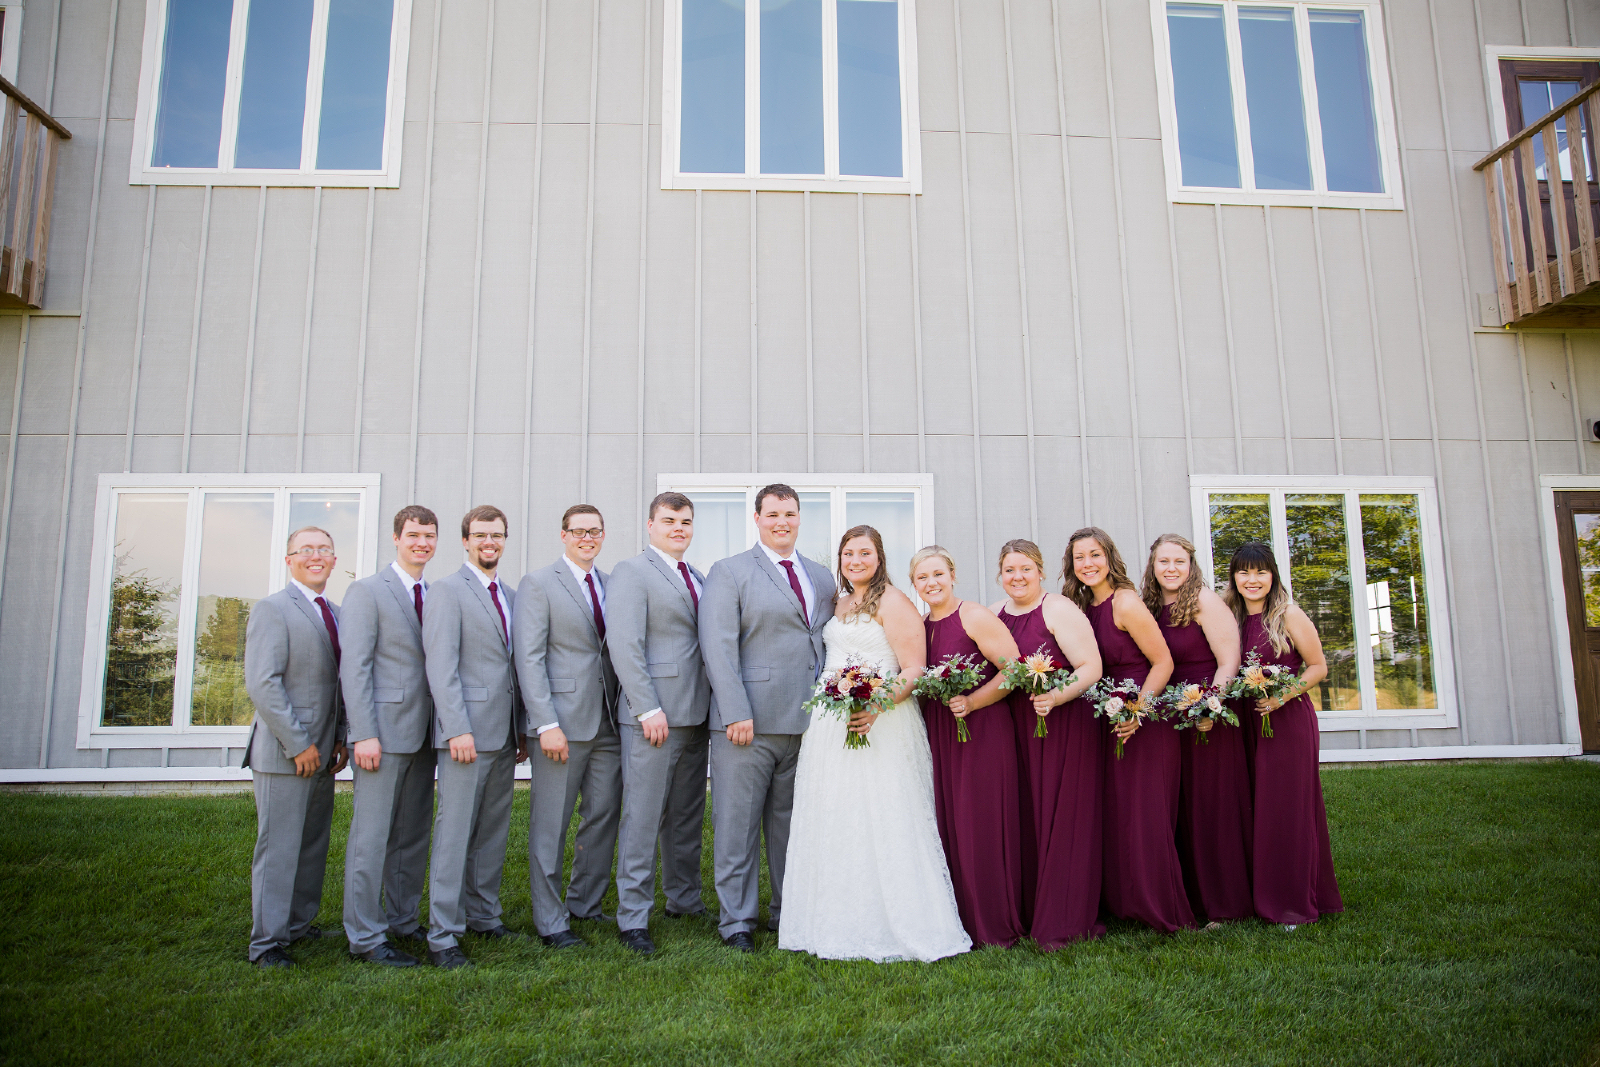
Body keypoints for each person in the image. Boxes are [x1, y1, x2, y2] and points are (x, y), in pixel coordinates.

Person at [781, 530, 970, 962]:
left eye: (865, 552)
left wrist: (877, 706)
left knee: (884, 815)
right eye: (848, 553)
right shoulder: (839, 602)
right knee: (836, 815)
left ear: (879, 557)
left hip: (881, 722)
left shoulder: (894, 602)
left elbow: (913, 668)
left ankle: (900, 923)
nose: (855, 559)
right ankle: (832, 919)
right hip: (832, 723)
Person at [699, 484, 836, 952]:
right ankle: (737, 921)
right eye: (773, 513)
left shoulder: (820, 576)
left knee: (790, 826)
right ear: (756, 518)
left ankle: (786, 911)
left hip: (807, 723)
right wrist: (736, 711)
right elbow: (718, 647)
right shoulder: (730, 571)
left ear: (800, 518)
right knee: (737, 825)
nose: (782, 521)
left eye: (790, 513)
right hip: (747, 724)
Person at [1064, 526, 1193, 934]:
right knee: (1117, 813)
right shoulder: (1080, 607)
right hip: (1107, 718)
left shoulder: (1125, 602)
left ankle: (1161, 907)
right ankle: (1124, 902)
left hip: (1145, 719)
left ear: (1109, 558)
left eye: (1094, 555)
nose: (1087, 564)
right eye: (1079, 557)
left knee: (1144, 814)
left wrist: (1139, 710)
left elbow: (1164, 663)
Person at [422, 505, 528, 969]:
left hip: (503, 733)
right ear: (465, 541)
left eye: (498, 535)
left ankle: (484, 915)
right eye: (481, 535)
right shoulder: (446, 591)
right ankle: (443, 934)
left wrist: (520, 727)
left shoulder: (509, 593)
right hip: (466, 733)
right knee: (454, 832)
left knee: (491, 830)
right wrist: (456, 728)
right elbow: (441, 667)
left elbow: (516, 667)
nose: (490, 542)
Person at [607, 492, 712, 955]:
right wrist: (646, 707)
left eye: (685, 521)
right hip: (654, 716)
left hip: (697, 713)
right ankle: (632, 916)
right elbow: (624, 643)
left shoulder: (699, 576)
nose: (678, 529)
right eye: (669, 521)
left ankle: (683, 898)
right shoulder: (632, 572)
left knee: (686, 815)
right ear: (650, 525)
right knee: (644, 816)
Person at [515, 504, 622, 950]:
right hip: (561, 723)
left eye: (594, 531)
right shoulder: (539, 583)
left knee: (602, 816)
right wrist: (544, 723)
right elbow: (529, 657)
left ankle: (585, 903)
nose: (587, 538)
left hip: (609, 722)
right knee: (550, 824)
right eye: (578, 531)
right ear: (563, 536)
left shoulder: (612, 584)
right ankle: (550, 918)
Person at [242, 526, 349, 967]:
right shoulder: (272, 609)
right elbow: (262, 684)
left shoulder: (338, 612)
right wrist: (299, 744)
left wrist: (339, 737)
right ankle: (267, 942)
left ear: (334, 559)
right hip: (285, 753)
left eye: (324, 548)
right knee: (280, 846)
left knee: (310, 844)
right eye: (306, 550)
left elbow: (341, 683)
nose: (316, 556)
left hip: (324, 753)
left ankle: (298, 925)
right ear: (289, 559)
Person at [1221, 541, 1343, 928]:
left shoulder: (1288, 614)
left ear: (1272, 575)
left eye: (1260, 571)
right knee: (1252, 808)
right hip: (1244, 722)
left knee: (1285, 810)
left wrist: (1281, 696)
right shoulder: (1228, 616)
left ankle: (1292, 903)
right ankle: (1252, 895)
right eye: (1243, 572)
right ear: (1234, 577)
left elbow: (1318, 666)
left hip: (1285, 721)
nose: (1251, 579)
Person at [339, 506, 441, 967]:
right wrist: (362, 732)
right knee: (372, 835)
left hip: (424, 733)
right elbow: (355, 667)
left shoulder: (435, 593)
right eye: (414, 535)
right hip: (381, 733)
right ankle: (365, 934)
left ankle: (402, 919)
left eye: (429, 536)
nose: (422, 543)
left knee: (412, 833)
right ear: (396, 538)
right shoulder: (366, 592)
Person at [991, 539, 1105, 947]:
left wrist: (1056, 696)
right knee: (1029, 813)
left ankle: (1066, 916)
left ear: (1040, 571)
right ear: (1000, 574)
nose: (1017, 577)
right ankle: (1028, 908)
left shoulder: (1057, 608)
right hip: (1017, 726)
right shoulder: (995, 614)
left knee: (1062, 814)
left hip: (1061, 722)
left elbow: (1091, 666)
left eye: (1025, 568)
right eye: (1009, 570)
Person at [913, 544, 1023, 948]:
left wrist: (973, 700)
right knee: (951, 822)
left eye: (938, 574)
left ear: (953, 575)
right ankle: (956, 916)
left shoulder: (974, 616)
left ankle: (992, 922)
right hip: (942, 732)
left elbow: (1015, 670)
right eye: (922, 577)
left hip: (982, 729)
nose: (932, 583)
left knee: (981, 822)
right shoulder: (922, 626)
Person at [1142, 534, 1249, 926]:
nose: (1171, 569)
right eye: (1163, 562)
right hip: (1168, 717)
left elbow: (1228, 660)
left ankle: (1223, 904)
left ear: (1192, 566)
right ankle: (1185, 897)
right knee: (1179, 807)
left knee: (1210, 808)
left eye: (1179, 562)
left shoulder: (1203, 600)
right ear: (1152, 567)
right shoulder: (1150, 605)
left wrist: (1211, 706)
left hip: (1205, 715)